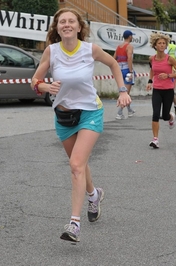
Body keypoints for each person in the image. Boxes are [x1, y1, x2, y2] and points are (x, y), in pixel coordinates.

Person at [30, 7, 131, 243]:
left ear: (79, 26)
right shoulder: (51, 52)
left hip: (90, 113)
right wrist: (44, 87)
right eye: (62, 21)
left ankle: (74, 224)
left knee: (76, 164)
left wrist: (123, 90)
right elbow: (35, 81)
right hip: (64, 117)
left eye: (71, 21)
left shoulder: (90, 49)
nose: (66, 24)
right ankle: (94, 195)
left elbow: (114, 64)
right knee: (79, 164)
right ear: (56, 28)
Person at [146, 32, 176, 149]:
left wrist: (168, 75)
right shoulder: (151, 58)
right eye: (159, 43)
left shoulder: (170, 59)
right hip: (157, 90)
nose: (162, 45)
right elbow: (152, 70)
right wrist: (150, 81)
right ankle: (155, 139)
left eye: (164, 43)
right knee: (155, 114)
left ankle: (171, 117)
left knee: (165, 116)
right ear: (155, 45)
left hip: (168, 90)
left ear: (166, 46)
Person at [113, 30, 135, 119]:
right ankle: (119, 113)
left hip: (119, 69)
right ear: (129, 36)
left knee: (123, 90)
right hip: (126, 69)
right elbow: (129, 58)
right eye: (132, 36)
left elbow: (114, 58)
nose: (132, 37)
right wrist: (131, 71)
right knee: (126, 92)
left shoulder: (119, 47)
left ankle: (130, 110)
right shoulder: (129, 46)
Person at [165, 42, 176, 116]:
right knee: (163, 91)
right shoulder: (158, 48)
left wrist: (174, 69)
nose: (161, 44)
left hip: (172, 73)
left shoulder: (173, 47)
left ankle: (168, 109)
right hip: (162, 73)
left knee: (169, 90)